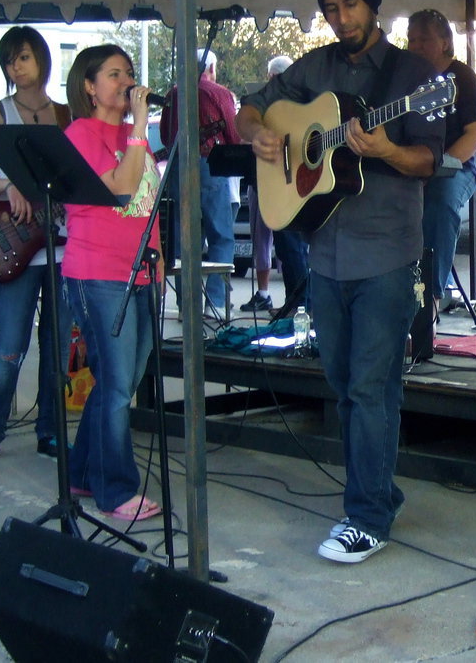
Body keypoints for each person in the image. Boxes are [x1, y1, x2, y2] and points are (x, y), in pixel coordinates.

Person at [238, 0, 444, 563]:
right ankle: (378, 488)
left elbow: (430, 161)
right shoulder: (317, 67)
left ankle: (367, 516)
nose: (340, 17)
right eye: (330, 8)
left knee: (368, 384)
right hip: (324, 250)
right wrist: (261, 134)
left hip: (385, 251)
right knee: (344, 383)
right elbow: (252, 107)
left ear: (372, 5)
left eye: (349, 5)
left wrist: (386, 149)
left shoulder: (415, 74)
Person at [0, 26, 72, 465]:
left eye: (22, 57)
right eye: (8, 60)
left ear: (41, 58)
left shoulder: (66, 113)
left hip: (63, 245)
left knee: (57, 345)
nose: (15, 67)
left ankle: (50, 432)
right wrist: (8, 183)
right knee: (9, 344)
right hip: (18, 243)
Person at [62, 44, 163, 522]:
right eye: (115, 73)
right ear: (89, 85)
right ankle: (115, 488)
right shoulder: (81, 133)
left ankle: (82, 472)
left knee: (124, 378)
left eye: (130, 72)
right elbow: (121, 187)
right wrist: (140, 130)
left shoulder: (131, 134)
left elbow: (146, 200)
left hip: (138, 269)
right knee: (119, 384)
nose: (126, 81)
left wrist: (158, 254)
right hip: (98, 272)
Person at [406, 9, 476, 319]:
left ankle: (431, 300)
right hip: (414, 165)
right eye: (411, 40)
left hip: (457, 167)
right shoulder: (406, 79)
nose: (415, 46)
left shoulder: (461, 76)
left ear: (444, 42)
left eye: (423, 40)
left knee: (439, 204)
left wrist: (438, 168)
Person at [160, 48, 242, 319]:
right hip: (209, 163)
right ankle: (215, 304)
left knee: (186, 240)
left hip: (177, 167)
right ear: (211, 67)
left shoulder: (173, 94)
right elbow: (233, 133)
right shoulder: (218, 92)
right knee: (221, 236)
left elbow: (164, 134)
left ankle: (187, 307)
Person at [241, 54, 310, 314]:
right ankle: (295, 303)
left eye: (272, 78)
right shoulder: (271, 105)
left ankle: (301, 306)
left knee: (293, 247)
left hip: (296, 184)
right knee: (285, 245)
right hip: (277, 180)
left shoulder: (300, 100)